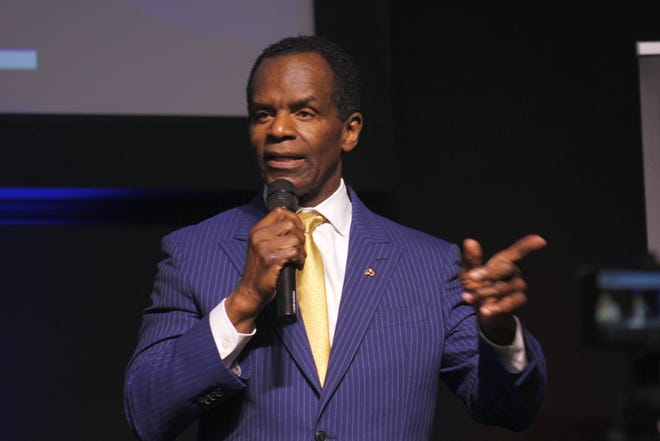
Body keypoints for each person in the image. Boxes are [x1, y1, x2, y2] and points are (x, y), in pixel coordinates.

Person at [123, 35, 547, 441]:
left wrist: (499, 332)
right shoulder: (193, 251)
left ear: (350, 131)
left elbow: (510, 410)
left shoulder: (430, 263)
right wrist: (241, 304)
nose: (278, 130)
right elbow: (147, 413)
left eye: (304, 112)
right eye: (263, 114)